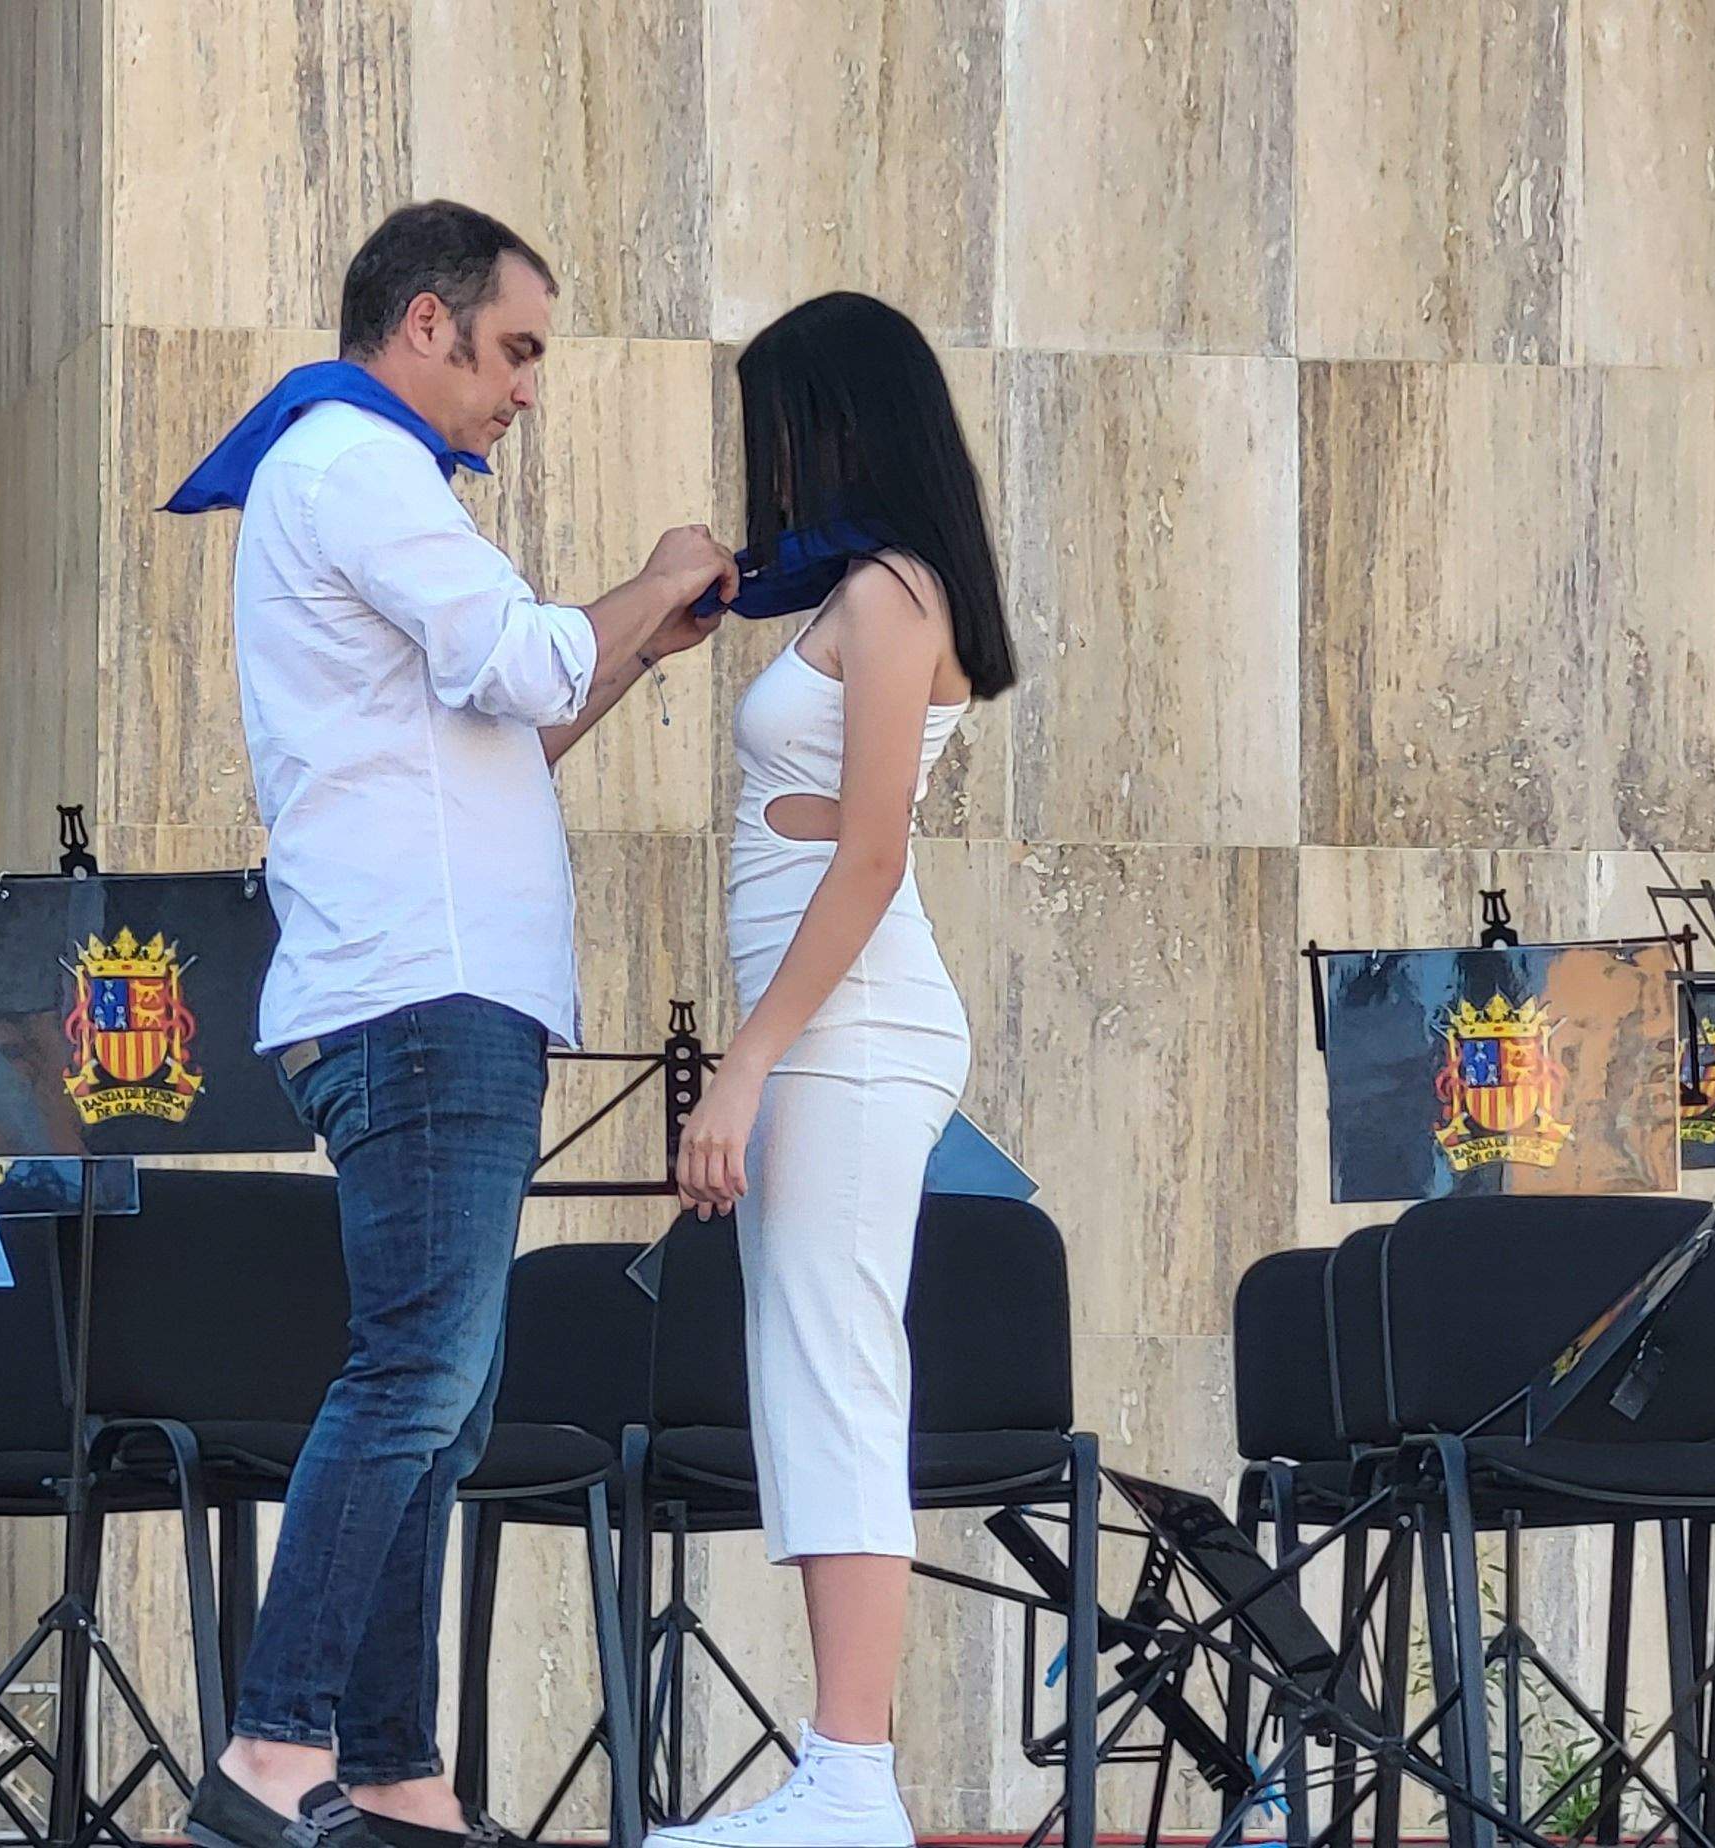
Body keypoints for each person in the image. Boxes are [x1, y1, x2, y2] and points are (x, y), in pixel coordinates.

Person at [159, 199, 733, 1848]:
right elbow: (521, 658)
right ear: (426, 323)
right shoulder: (356, 459)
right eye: (517, 350)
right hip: (418, 995)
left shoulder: (347, 475)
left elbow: (510, 732)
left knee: (446, 1391)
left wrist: (632, 645)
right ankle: (276, 1755)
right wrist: (654, 580)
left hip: (420, 989)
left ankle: (397, 1772)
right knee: (418, 1374)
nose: (526, 392)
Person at [650, 291, 1015, 1848]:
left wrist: (746, 1067)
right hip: (830, 1021)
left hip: (851, 1023)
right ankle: (839, 1768)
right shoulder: (842, 588)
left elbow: (868, 857)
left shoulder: (892, 593)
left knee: (836, 1373)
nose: (769, 458)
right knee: (812, 1377)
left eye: (784, 423)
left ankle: (853, 1774)